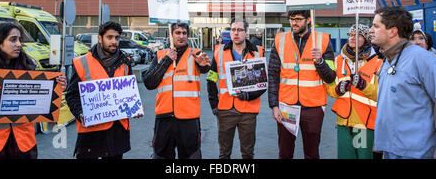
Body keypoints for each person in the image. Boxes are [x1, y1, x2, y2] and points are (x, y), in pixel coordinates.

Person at [0, 22, 66, 159]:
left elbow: (44, 106)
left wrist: (57, 88)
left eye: (19, 40)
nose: (19, 44)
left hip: (24, 144)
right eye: (13, 40)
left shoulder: (28, 68)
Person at [268, 10, 336, 159]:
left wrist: (320, 62)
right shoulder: (280, 40)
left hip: (313, 108)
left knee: (312, 154)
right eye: (292, 19)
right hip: (286, 106)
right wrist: (274, 105)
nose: (294, 23)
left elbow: (330, 77)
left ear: (308, 20)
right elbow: (272, 74)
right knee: (285, 153)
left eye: (298, 19)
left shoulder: (323, 40)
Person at [369, 6, 436, 159]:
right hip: (390, 150)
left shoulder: (423, 59)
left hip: (416, 152)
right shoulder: (387, 61)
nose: (371, 30)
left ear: (392, 31)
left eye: (376, 26)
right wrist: (379, 143)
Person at [66, 21, 137, 159]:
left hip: (117, 133)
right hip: (91, 133)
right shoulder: (82, 62)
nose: (114, 41)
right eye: (109, 37)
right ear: (100, 38)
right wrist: (79, 113)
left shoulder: (126, 62)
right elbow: (72, 95)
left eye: (117, 38)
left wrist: (134, 107)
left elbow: (130, 93)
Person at [143, 22, 211, 159]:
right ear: (171, 35)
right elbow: (149, 83)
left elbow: (204, 67)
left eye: (184, 33)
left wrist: (203, 66)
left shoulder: (195, 54)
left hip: (189, 119)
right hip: (164, 119)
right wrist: (167, 60)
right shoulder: (161, 55)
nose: (181, 36)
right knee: (161, 156)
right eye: (178, 33)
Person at [207, 18, 265, 159]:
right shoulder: (219, 52)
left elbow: (263, 83)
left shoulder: (258, 52)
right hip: (225, 110)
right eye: (233, 30)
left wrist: (248, 96)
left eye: (240, 30)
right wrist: (214, 104)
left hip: (248, 110)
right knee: (224, 153)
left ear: (246, 33)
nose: (236, 33)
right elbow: (211, 79)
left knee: (247, 153)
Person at [327, 24, 382, 159]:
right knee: (345, 156)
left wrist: (363, 86)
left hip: (363, 122)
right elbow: (329, 88)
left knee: (363, 156)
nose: (352, 38)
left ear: (366, 39)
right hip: (343, 121)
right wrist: (337, 89)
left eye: (357, 35)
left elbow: (381, 94)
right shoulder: (338, 59)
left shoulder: (377, 62)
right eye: (350, 35)